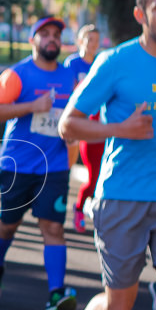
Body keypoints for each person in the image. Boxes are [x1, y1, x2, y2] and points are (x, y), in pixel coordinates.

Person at [47, 0, 156, 310]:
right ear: (141, 14)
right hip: (124, 198)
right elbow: (68, 124)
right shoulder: (117, 62)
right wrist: (121, 130)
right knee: (119, 306)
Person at [0, 15, 78, 310]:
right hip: (18, 165)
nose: (52, 39)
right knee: (9, 225)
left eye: (56, 35)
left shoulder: (69, 78)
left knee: (52, 227)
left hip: (55, 166)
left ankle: (55, 293)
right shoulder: (17, 75)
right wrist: (31, 107)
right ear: (33, 40)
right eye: (45, 34)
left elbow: (78, 117)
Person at [63, 24, 102, 233]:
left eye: (96, 40)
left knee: (95, 173)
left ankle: (82, 208)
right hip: (72, 123)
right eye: (89, 39)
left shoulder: (100, 63)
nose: (93, 44)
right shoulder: (72, 64)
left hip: (94, 126)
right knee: (65, 167)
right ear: (80, 41)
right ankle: (59, 203)